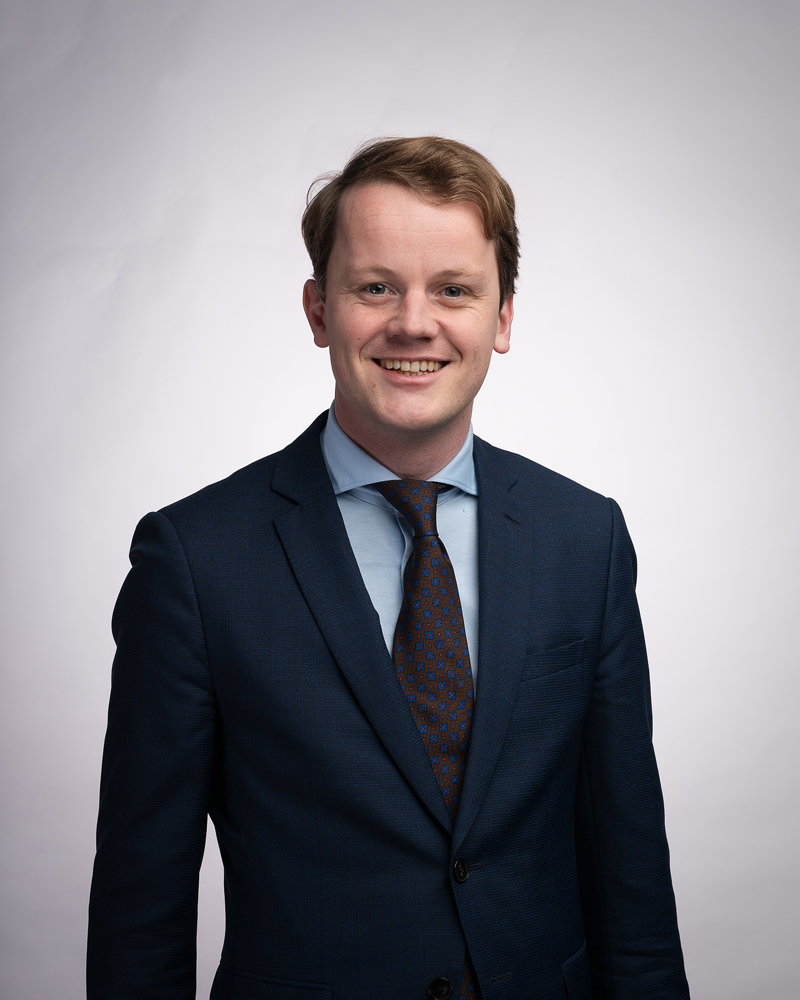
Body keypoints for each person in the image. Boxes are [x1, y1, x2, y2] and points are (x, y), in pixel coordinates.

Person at [87, 137, 690, 1000]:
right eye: (375, 287)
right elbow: (140, 909)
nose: (414, 322)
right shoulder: (193, 559)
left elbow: (632, 881)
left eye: (454, 289)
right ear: (318, 311)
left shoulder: (583, 539)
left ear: (503, 318)